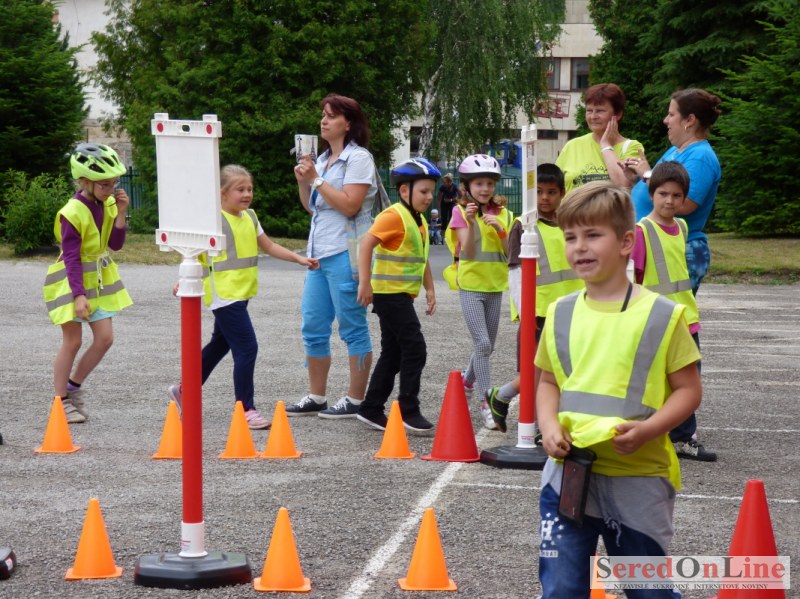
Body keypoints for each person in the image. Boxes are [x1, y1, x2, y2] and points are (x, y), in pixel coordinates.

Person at [535, 181, 702, 598]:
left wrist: (648, 430)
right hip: (567, 474)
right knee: (561, 588)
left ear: (627, 242)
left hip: (637, 479)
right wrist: (549, 426)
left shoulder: (662, 316)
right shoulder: (560, 312)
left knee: (647, 590)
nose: (579, 247)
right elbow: (548, 382)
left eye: (593, 235)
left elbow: (688, 390)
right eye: (570, 237)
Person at [168, 165, 318, 430]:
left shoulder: (250, 216)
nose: (247, 194)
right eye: (240, 189)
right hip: (224, 295)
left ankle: (184, 389)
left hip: (241, 292)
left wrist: (298, 258)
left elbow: (268, 245)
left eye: (249, 189)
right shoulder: (213, 222)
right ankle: (246, 409)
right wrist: (184, 278)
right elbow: (195, 254)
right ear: (222, 193)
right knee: (247, 347)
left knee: (220, 344)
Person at [287, 93, 377, 418]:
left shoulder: (358, 158)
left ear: (348, 123)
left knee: (352, 326)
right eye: (323, 115)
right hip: (319, 253)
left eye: (331, 116)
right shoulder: (322, 160)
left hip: (346, 252)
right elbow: (314, 207)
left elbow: (350, 205)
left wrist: (316, 179)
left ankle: (355, 399)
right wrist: (304, 183)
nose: (323, 121)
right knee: (313, 326)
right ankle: (317, 395)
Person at [485, 164, 583, 433]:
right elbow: (516, 273)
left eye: (551, 192)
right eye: (538, 192)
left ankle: (502, 396)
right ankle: (542, 428)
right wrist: (523, 312)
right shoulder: (524, 225)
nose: (544, 198)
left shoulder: (571, 222)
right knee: (539, 373)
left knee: (562, 369)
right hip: (539, 312)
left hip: (572, 309)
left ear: (562, 193)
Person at [43, 143, 133, 424]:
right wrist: (78, 295)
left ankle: (73, 387)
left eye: (113, 183)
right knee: (73, 341)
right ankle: (60, 401)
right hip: (71, 282)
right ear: (84, 181)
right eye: (104, 184)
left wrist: (120, 213)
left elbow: (115, 245)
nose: (110, 189)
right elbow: (71, 257)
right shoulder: (71, 212)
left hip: (97, 281)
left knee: (105, 339)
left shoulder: (108, 204)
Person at [632, 161, 715, 461]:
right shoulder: (641, 231)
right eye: (663, 194)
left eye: (677, 196)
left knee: (688, 381)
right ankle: (646, 433)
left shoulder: (681, 227)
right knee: (652, 381)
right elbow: (634, 279)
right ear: (651, 194)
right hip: (655, 321)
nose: (669, 201)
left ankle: (682, 437)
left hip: (685, 320)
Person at [355, 158, 440, 433]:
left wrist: (430, 288)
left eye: (431, 191)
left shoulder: (419, 220)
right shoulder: (394, 215)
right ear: (405, 191)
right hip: (389, 295)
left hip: (401, 296)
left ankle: (371, 408)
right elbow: (366, 244)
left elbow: (421, 257)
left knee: (393, 352)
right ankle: (408, 409)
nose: (429, 197)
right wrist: (364, 283)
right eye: (423, 191)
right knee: (415, 348)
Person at [625, 88, 722, 296]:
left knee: (669, 310)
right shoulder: (676, 150)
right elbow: (657, 189)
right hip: (657, 245)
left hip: (676, 249)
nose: (665, 120)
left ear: (690, 120)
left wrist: (647, 174)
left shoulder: (700, 157)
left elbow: (684, 204)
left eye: (671, 114)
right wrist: (636, 176)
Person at [445, 154, 513, 430]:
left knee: (488, 346)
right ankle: (488, 403)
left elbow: (510, 254)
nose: (485, 189)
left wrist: (502, 232)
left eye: (489, 184)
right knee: (483, 344)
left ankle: (466, 381)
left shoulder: (506, 214)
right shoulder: (460, 212)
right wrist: (473, 223)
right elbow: (469, 252)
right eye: (479, 184)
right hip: (471, 286)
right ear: (467, 186)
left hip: (495, 286)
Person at [556, 83, 644, 194]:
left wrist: (605, 145)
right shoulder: (572, 146)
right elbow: (555, 187)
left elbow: (623, 186)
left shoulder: (632, 147)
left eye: (600, 111)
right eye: (589, 111)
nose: (593, 117)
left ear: (618, 114)